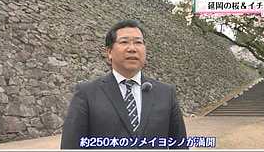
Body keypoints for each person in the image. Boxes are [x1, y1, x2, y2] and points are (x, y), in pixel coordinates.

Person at [60, 19, 187, 149]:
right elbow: (71, 146)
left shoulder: (166, 93)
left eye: (138, 42)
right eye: (124, 42)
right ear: (109, 52)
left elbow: (180, 146)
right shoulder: (87, 93)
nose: (132, 48)